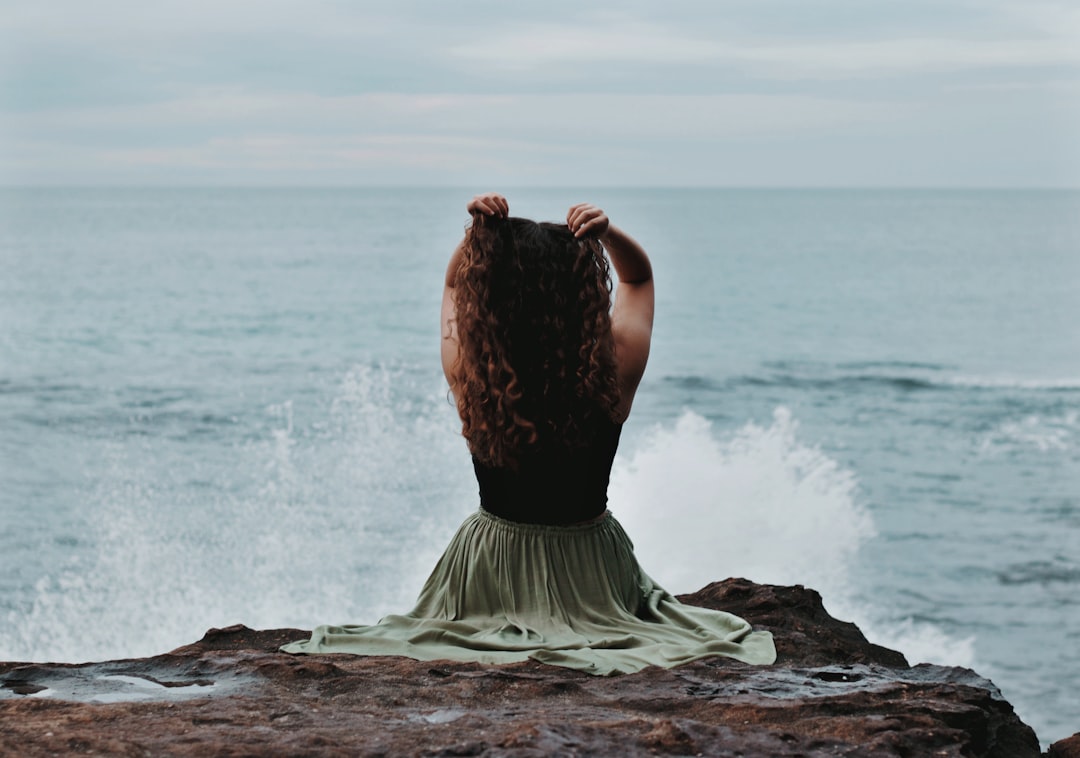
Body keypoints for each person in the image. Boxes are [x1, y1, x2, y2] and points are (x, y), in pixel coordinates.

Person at [281, 193, 776, 674]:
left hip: (489, 569)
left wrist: (479, 236)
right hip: (593, 571)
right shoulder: (612, 366)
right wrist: (608, 233)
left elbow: (453, 287)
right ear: (582, 293)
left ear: (491, 295)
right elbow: (639, 278)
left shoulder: (474, 370)